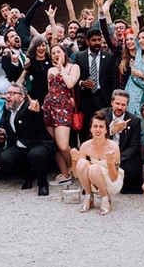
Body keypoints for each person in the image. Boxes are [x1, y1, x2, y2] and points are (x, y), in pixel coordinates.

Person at [0, 83, 56, 196]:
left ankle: (42, 183)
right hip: (20, 146)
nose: (8, 96)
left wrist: (37, 112)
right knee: (4, 159)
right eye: (7, 93)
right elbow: (4, 123)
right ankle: (28, 176)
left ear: (21, 97)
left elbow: (38, 117)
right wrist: (2, 130)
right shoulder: (7, 108)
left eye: (12, 93)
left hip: (38, 144)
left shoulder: (29, 107)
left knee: (35, 155)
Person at [70, 110, 123, 215]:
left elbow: (114, 177)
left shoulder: (113, 147)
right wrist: (74, 160)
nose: (98, 129)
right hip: (94, 179)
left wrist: (110, 163)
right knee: (82, 163)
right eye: (95, 126)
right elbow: (76, 174)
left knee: (93, 168)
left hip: (112, 182)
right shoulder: (85, 146)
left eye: (101, 127)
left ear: (106, 130)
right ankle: (89, 196)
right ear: (91, 129)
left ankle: (105, 198)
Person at [43, 43, 80, 186]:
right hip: (49, 106)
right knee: (55, 144)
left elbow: (70, 83)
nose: (56, 55)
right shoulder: (50, 70)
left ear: (64, 52)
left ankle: (76, 168)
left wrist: (61, 67)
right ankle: (65, 174)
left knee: (63, 145)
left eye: (58, 52)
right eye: (53, 53)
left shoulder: (73, 67)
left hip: (63, 107)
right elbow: (50, 89)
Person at [73, 28, 118, 144]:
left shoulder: (109, 57)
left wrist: (114, 98)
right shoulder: (79, 57)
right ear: (87, 41)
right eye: (94, 40)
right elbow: (74, 77)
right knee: (86, 129)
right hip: (85, 98)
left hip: (103, 97)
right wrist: (82, 83)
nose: (97, 43)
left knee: (103, 126)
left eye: (99, 40)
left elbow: (114, 79)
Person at [102, 90, 143, 194]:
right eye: (117, 103)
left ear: (127, 105)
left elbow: (134, 146)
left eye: (123, 105)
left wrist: (118, 159)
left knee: (131, 170)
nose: (119, 107)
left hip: (123, 154)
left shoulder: (134, 121)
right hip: (104, 152)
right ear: (112, 102)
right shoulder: (102, 115)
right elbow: (94, 137)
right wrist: (112, 131)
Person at [19, 35, 52, 105]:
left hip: (50, 96)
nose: (41, 48)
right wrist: (11, 92)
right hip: (35, 98)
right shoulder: (30, 61)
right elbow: (21, 79)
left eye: (43, 45)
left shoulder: (51, 60)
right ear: (34, 47)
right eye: (38, 46)